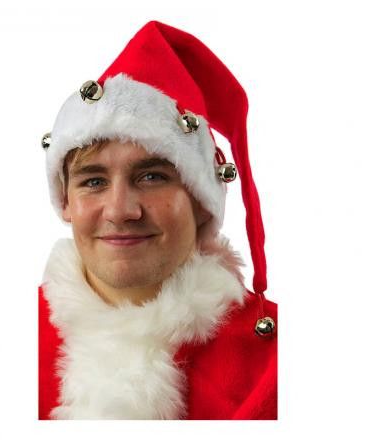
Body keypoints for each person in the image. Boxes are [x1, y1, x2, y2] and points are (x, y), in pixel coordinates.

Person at [38, 20, 277, 420]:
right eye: (93, 181)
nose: (119, 210)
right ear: (66, 202)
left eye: (151, 177)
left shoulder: (278, 366)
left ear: (202, 200)